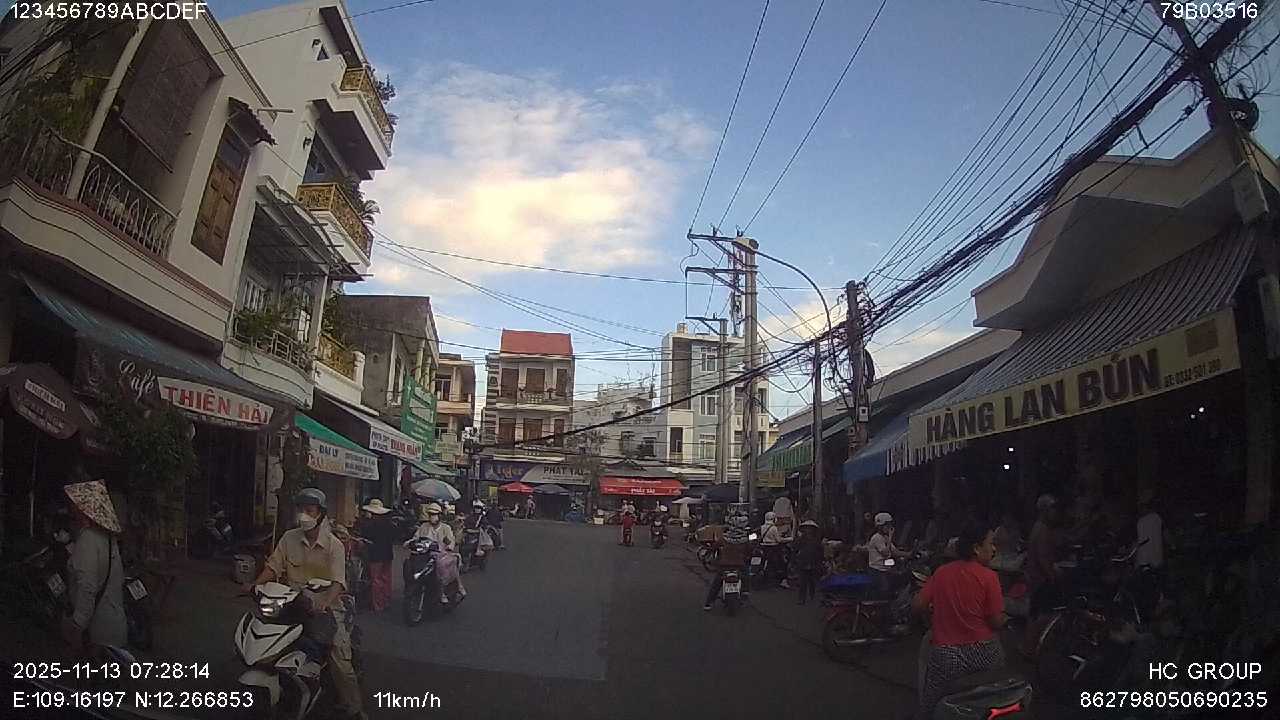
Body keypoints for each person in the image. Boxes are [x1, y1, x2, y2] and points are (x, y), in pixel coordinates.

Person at [246, 488, 365, 720]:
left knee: (340, 661)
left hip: (326, 609)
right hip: (290, 603)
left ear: (320, 514)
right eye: (300, 510)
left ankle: (355, 709)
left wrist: (324, 602)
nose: (304, 515)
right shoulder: (289, 538)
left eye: (309, 511)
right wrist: (254, 585)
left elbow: (338, 583)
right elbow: (273, 567)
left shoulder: (334, 545)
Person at [913, 522, 1007, 719]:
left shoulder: (941, 572)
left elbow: (918, 605)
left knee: (930, 704)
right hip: (985, 654)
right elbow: (996, 622)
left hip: (947, 656)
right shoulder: (989, 577)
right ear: (976, 548)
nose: (994, 549)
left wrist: (935, 614)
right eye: (990, 543)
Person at [61, 480, 126, 652]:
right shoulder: (107, 538)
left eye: (76, 504)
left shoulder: (88, 539)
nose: (72, 508)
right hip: (114, 624)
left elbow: (87, 587)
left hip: (96, 632)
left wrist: (77, 625)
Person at [1024, 493, 1063, 654]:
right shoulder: (1043, 530)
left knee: (1035, 613)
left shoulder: (1039, 527)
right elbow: (1042, 558)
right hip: (1040, 578)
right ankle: (1031, 648)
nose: (1056, 513)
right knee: (1042, 614)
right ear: (1045, 510)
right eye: (1053, 509)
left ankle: (1029, 647)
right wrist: (1053, 576)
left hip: (1035, 577)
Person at [411, 502, 466, 602]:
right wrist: (410, 543)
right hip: (425, 555)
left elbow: (451, 541)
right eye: (430, 514)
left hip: (442, 555)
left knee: (442, 566)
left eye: (434, 514)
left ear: (439, 515)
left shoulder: (446, 528)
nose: (432, 517)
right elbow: (415, 538)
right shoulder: (424, 526)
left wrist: (448, 544)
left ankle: (443, 591)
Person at [703, 511, 754, 610]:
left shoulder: (724, 538)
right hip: (739, 565)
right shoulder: (745, 540)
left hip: (724, 565)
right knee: (746, 576)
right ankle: (745, 592)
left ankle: (709, 603)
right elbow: (749, 551)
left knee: (716, 584)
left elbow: (714, 547)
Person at [357, 498, 397, 612]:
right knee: (386, 579)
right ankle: (386, 601)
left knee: (376, 580)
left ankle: (378, 604)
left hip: (375, 556)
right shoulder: (389, 524)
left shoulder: (369, 525)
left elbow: (365, 539)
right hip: (388, 554)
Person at [793, 520, 823, 605]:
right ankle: (801, 599)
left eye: (810, 528)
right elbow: (795, 548)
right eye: (806, 528)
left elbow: (820, 551)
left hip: (814, 561)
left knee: (812, 581)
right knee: (802, 582)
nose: (808, 530)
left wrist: (820, 561)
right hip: (803, 561)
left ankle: (812, 596)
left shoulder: (817, 539)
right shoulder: (801, 539)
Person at [760, 511, 790, 589]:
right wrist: (788, 539)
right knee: (782, 564)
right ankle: (783, 581)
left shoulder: (762, 527)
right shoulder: (773, 528)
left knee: (763, 563)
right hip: (774, 548)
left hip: (764, 547)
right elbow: (778, 540)